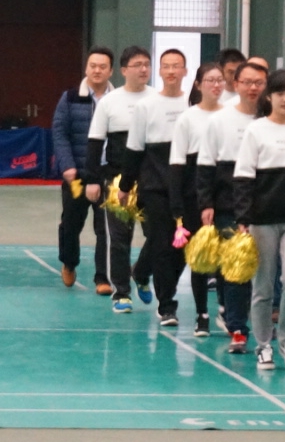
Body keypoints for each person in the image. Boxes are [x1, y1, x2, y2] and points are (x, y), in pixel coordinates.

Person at [233, 69, 285, 371]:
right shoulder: (256, 131)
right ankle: (263, 345)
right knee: (263, 287)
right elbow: (243, 177)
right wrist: (243, 218)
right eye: (280, 93)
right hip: (262, 221)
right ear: (269, 97)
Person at [196, 59, 266, 352]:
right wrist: (206, 202)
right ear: (235, 85)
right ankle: (238, 327)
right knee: (236, 267)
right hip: (228, 205)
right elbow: (205, 164)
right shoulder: (219, 120)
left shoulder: (271, 120)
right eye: (247, 82)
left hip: (267, 204)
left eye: (258, 83)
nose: (253, 88)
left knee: (266, 272)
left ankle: (263, 324)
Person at [123, 48, 190, 327]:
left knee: (183, 246)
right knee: (163, 242)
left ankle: (141, 270)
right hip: (155, 185)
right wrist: (125, 186)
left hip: (187, 186)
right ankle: (167, 305)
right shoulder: (146, 106)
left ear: (185, 71)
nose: (171, 71)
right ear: (160, 71)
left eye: (177, 66)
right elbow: (134, 148)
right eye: (166, 66)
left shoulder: (193, 104)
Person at [85, 45, 153, 312]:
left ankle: (142, 272)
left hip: (152, 182)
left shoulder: (157, 99)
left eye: (147, 64)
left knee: (159, 236)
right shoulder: (109, 102)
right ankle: (121, 293)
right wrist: (92, 180)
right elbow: (94, 143)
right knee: (119, 239)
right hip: (116, 182)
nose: (143, 69)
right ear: (124, 70)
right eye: (137, 65)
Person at [170, 62, 225, 337]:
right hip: (194, 197)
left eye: (220, 80)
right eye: (210, 80)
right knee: (201, 257)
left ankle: (226, 310)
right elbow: (177, 162)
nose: (216, 85)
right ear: (199, 85)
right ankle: (202, 314)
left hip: (225, 194)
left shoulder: (230, 116)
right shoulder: (188, 118)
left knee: (227, 256)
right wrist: (177, 203)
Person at [51, 47, 113, 289]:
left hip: (106, 174)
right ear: (86, 68)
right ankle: (69, 263)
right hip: (76, 176)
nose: (97, 70)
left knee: (105, 228)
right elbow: (59, 132)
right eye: (93, 66)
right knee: (70, 225)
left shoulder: (117, 99)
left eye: (102, 67)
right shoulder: (69, 98)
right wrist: (67, 166)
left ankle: (103, 277)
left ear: (111, 71)